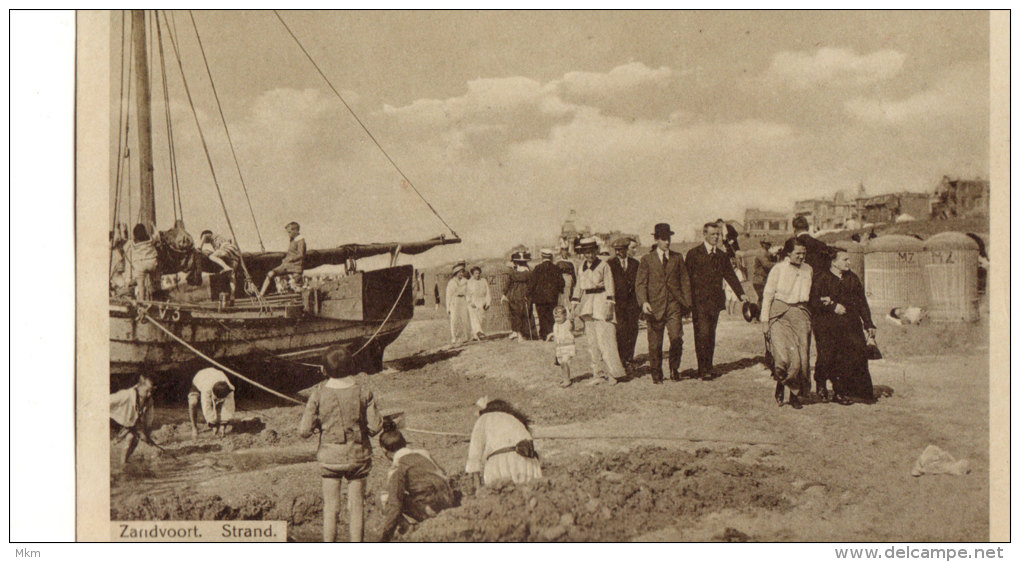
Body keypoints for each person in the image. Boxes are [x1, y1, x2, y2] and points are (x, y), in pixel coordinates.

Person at [298, 346, 384, 542]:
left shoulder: (318, 393)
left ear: (323, 370)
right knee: (356, 506)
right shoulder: (363, 391)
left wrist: (320, 423)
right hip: (358, 456)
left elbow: (304, 432)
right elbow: (375, 426)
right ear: (352, 367)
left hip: (330, 458)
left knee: (330, 508)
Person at [810, 248, 877, 405]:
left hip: (849, 324)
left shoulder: (852, 278)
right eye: (845, 259)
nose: (849, 262)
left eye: (849, 259)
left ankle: (840, 391)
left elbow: (861, 302)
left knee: (848, 356)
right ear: (834, 262)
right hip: (826, 325)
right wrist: (832, 307)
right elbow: (813, 302)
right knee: (827, 356)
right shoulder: (822, 278)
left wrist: (868, 323)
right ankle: (821, 383)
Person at [686, 222, 749, 379]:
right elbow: (686, 279)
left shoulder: (721, 256)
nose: (716, 237)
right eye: (713, 234)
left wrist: (741, 294)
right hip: (698, 302)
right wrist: (686, 302)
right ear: (705, 234)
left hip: (715, 302)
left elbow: (730, 276)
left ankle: (708, 366)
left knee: (711, 335)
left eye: (718, 234)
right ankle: (703, 369)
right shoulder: (694, 254)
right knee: (702, 334)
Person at [375, 424, 456, 542]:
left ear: (384, 450)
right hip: (449, 502)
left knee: (383, 497)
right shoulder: (424, 453)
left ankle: (408, 529)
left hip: (430, 509)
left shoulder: (397, 467)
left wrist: (384, 538)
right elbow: (442, 473)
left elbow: (394, 505)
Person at [760, 238, 814, 409]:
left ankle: (794, 395)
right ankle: (781, 382)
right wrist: (765, 321)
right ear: (788, 253)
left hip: (800, 315)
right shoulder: (778, 269)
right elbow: (767, 295)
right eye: (797, 253)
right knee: (783, 357)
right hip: (779, 314)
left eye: (804, 253)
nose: (801, 257)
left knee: (801, 360)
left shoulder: (808, 269)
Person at [635, 223, 693, 384]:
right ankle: (656, 372)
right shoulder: (647, 259)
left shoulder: (677, 257)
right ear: (656, 239)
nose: (667, 242)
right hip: (654, 307)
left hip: (674, 305)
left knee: (676, 338)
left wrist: (687, 304)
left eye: (668, 239)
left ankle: (674, 368)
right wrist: (644, 302)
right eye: (663, 239)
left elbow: (685, 282)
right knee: (655, 343)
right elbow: (640, 284)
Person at [571, 237, 626, 384]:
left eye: (591, 252)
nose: (589, 255)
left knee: (606, 340)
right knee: (592, 342)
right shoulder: (581, 266)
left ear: (596, 251)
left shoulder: (603, 266)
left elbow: (610, 287)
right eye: (586, 252)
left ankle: (613, 373)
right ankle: (598, 374)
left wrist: (609, 306)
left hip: (602, 302)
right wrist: (574, 302)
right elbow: (578, 286)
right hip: (587, 304)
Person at [465, 397, 542, 487]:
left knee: (501, 498)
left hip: (503, 464)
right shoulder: (514, 419)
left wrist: (477, 483)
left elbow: (475, 451)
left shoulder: (484, 418)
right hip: (529, 464)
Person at [607, 237, 640, 365]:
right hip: (618, 304)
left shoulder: (635, 264)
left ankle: (629, 357)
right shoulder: (610, 264)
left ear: (626, 250)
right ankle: (621, 359)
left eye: (621, 250)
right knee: (620, 331)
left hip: (632, 304)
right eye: (616, 250)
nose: (618, 253)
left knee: (632, 330)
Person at [110, 374, 156, 464]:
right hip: (115, 420)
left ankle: (124, 462)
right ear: (139, 387)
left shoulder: (149, 401)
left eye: (151, 391)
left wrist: (146, 434)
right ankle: (122, 462)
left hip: (130, 423)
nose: (149, 394)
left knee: (134, 438)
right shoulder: (126, 395)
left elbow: (148, 419)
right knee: (129, 437)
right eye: (147, 391)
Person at [187, 367, 236, 439]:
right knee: (193, 403)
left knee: (221, 404)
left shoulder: (229, 388)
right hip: (200, 379)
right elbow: (206, 407)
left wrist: (223, 425)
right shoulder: (206, 389)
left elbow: (229, 406)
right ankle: (194, 428)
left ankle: (219, 425)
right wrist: (213, 425)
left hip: (215, 375)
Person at [260, 222, 306, 296]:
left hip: (295, 267)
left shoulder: (301, 241)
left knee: (296, 289)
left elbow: (301, 254)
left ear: (296, 231)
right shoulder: (292, 240)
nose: (288, 234)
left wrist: (290, 259)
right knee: (270, 274)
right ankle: (261, 294)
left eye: (289, 232)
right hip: (287, 265)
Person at [528, 249, 565, 340]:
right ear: (551, 257)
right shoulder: (556, 268)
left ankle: (544, 335)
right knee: (552, 315)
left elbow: (532, 283)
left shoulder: (537, 268)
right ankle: (552, 333)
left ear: (542, 257)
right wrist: (560, 291)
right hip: (552, 297)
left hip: (540, 298)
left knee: (541, 316)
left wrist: (529, 294)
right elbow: (561, 283)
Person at [502, 251, 535, 340]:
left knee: (516, 313)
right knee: (525, 313)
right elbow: (531, 285)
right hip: (524, 294)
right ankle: (525, 333)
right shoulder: (529, 272)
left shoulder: (514, 272)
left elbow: (508, 283)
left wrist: (504, 293)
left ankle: (518, 332)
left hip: (515, 294)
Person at [125, 223, 160, 301]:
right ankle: (156, 294)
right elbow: (157, 235)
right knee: (155, 277)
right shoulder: (151, 239)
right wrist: (152, 225)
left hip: (140, 265)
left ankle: (142, 300)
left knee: (141, 285)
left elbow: (125, 248)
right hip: (151, 263)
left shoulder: (133, 243)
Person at [200, 230, 241, 294]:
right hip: (235, 255)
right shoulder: (218, 239)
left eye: (206, 241)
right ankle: (232, 296)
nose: (206, 242)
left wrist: (200, 248)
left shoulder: (213, 236)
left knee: (211, 256)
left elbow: (205, 236)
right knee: (232, 276)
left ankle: (226, 267)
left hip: (227, 248)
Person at [546, 305, 576, 388]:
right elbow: (556, 333)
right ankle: (565, 378)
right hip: (559, 348)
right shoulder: (555, 325)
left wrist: (569, 313)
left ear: (565, 316)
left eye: (559, 317)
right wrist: (551, 335)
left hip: (568, 347)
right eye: (555, 317)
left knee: (565, 362)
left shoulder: (567, 323)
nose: (557, 319)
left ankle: (567, 381)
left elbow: (571, 321)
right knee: (561, 364)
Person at [445, 261, 471, 345]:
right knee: (454, 319)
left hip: (463, 300)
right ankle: (454, 337)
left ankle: (465, 336)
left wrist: (469, 302)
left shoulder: (466, 281)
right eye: (459, 272)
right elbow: (448, 295)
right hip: (454, 301)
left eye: (462, 272)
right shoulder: (451, 282)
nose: (461, 274)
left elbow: (468, 292)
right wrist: (448, 307)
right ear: (455, 273)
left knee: (464, 319)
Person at [465, 266, 492, 340]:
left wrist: (488, 303)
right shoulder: (469, 282)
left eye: (479, 273)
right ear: (472, 274)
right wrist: (470, 302)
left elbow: (487, 292)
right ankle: (479, 333)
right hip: (473, 302)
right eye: (476, 273)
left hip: (482, 301)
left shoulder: (483, 281)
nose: (478, 275)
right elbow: (467, 294)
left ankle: (475, 335)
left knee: (481, 318)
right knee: (474, 319)